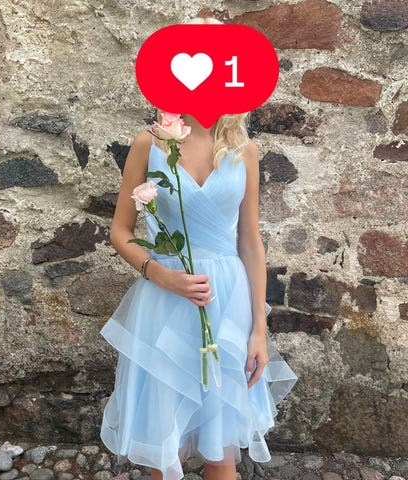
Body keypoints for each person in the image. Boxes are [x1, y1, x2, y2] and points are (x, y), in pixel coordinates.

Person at [99, 17, 298, 480]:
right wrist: (161, 274)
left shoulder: (244, 150)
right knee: (164, 445)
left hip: (227, 302)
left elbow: (250, 243)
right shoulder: (149, 144)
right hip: (166, 298)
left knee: (220, 451)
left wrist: (258, 330)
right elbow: (120, 232)